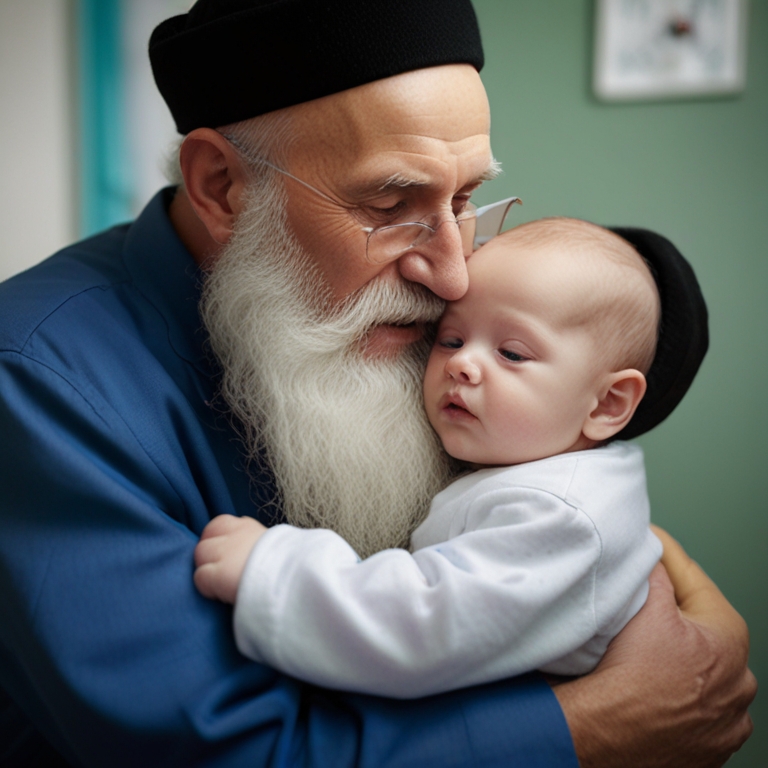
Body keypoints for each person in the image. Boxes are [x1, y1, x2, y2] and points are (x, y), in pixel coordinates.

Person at [0, 1, 755, 766]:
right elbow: (218, 749)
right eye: (390, 207)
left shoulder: (422, 327)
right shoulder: (35, 380)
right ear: (223, 186)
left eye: (464, 201)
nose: (452, 275)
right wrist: (602, 724)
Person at [191, 217, 682, 698]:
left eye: (512, 353)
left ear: (607, 404)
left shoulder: (559, 514)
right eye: (451, 340)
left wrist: (274, 572)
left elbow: (425, 627)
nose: (462, 363)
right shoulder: (538, 469)